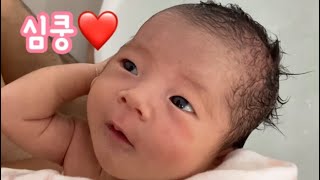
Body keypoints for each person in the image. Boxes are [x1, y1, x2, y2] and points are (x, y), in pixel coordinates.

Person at [1, 1, 295, 179]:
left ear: (218, 158)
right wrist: (97, 74)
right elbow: (13, 109)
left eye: (180, 102)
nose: (135, 96)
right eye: (130, 66)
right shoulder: (84, 148)